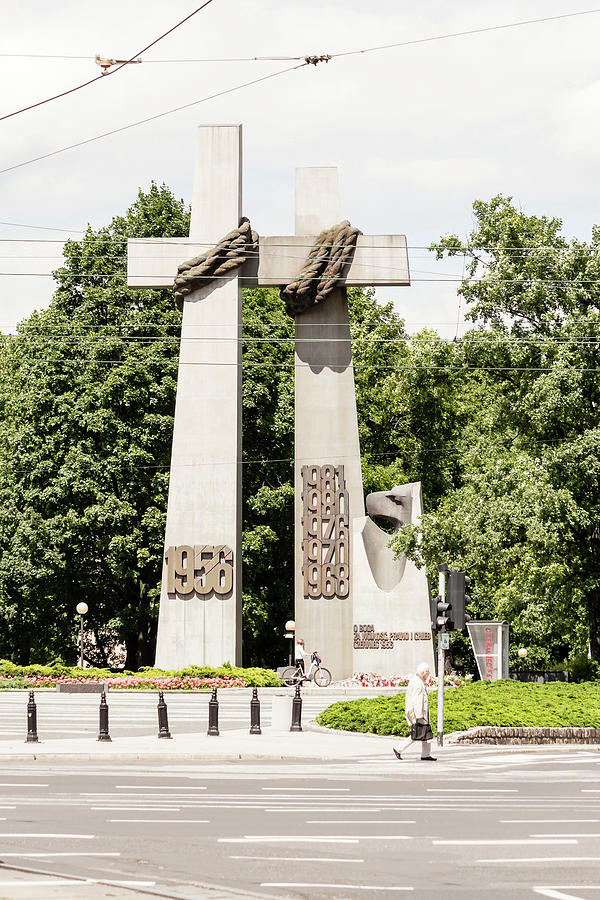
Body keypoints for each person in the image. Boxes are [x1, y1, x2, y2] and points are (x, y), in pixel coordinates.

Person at [392, 661, 437, 761]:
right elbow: (417, 699)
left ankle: (426, 754)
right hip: (419, 713)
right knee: (418, 733)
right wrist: (419, 715)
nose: (429, 674)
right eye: (428, 672)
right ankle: (398, 748)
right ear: (423, 672)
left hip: (420, 713)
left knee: (425, 733)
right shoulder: (417, 683)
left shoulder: (416, 681)